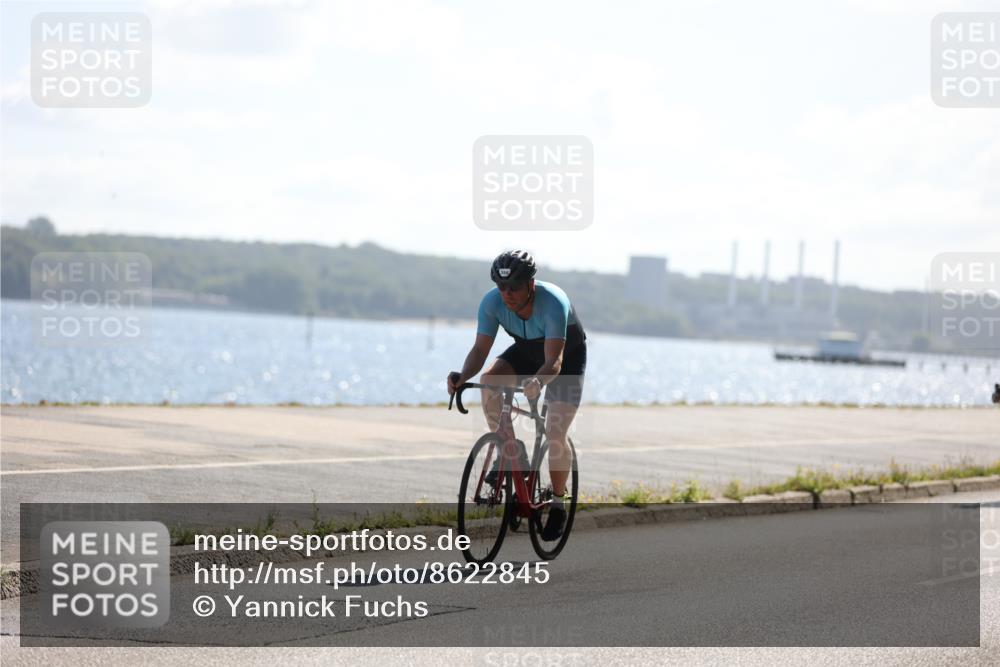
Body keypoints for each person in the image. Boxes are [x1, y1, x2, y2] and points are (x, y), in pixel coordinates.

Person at [447, 250, 587, 540]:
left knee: (555, 431)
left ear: (530, 284)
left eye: (515, 287)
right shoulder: (492, 302)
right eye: (502, 287)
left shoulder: (552, 302)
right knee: (489, 381)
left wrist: (538, 380)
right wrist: (463, 376)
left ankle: (558, 503)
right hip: (525, 350)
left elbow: (554, 361)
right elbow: (480, 350)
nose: (507, 294)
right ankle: (511, 452)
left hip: (565, 358)